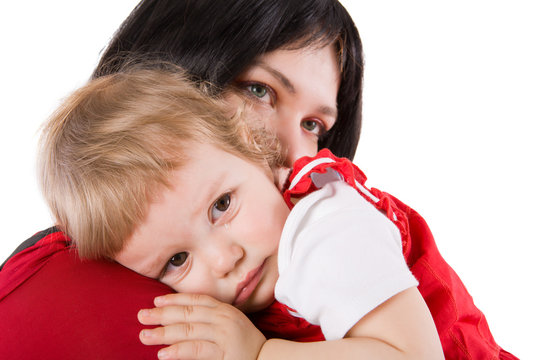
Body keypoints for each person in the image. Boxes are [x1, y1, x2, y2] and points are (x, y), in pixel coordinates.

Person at [0, 1, 516, 359]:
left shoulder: (326, 228)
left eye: (314, 125)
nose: (293, 152)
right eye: (261, 91)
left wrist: (262, 353)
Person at [37, 66, 444, 359]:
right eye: (177, 261)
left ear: (253, 148)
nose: (223, 260)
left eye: (222, 206)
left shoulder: (324, 229)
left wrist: (261, 354)